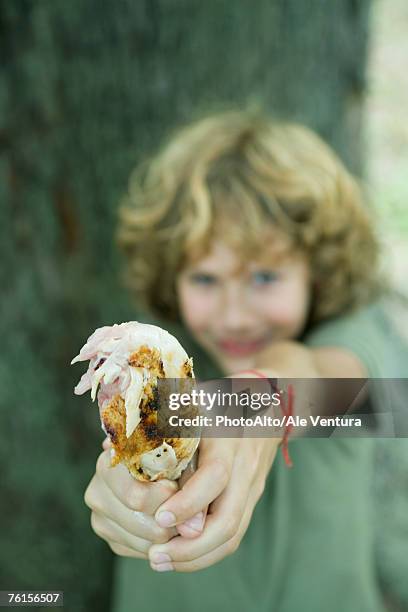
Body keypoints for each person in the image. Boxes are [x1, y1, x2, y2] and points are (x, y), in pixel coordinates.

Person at [84, 110, 407, 612]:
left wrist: (257, 402)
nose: (234, 316)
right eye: (206, 280)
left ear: (316, 271)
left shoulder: (353, 339)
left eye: (263, 278)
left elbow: (317, 381)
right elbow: (132, 451)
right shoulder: (153, 370)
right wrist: (123, 497)